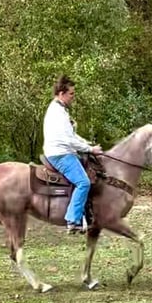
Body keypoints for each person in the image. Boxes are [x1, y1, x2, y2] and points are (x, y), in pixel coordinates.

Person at [43, 75, 103, 233]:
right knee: (84, 182)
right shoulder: (58, 112)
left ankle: (86, 215)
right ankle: (73, 220)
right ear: (62, 94)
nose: (73, 97)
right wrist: (90, 149)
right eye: (71, 94)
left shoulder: (59, 110)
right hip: (61, 154)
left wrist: (86, 143)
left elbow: (72, 136)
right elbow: (68, 139)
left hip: (62, 150)